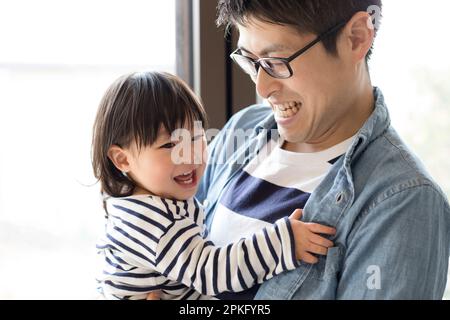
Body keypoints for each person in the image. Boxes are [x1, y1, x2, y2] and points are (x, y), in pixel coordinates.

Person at [196, 0, 450, 299]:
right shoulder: (242, 131)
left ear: (356, 37)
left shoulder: (402, 200)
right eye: (250, 61)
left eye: (276, 61)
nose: (262, 88)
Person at [91, 71, 336, 300]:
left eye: (196, 137)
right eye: (169, 145)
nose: (190, 154)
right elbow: (210, 271)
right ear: (123, 159)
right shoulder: (151, 220)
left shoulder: (152, 200)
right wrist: (284, 241)